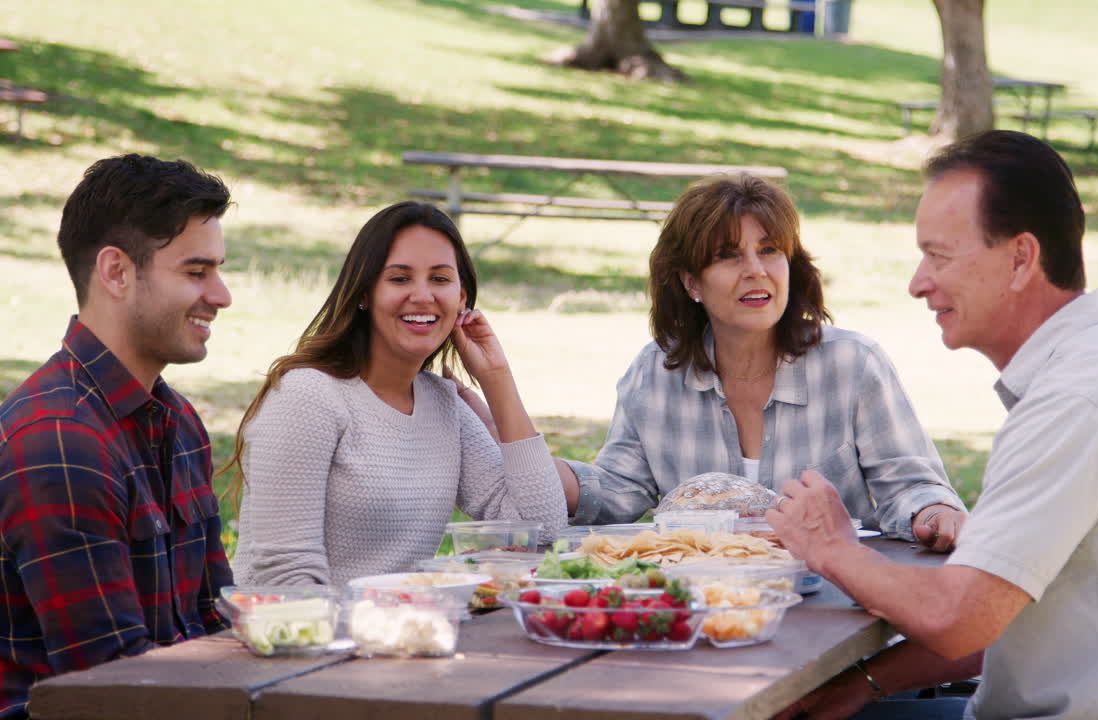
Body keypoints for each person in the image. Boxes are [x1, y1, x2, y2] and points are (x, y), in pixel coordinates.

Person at [768, 130, 1098, 719]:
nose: (918, 283)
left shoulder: (1076, 402)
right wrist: (863, 683)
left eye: (939, 256)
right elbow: (999, 612)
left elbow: (958, 617)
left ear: (1021, 258)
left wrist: (830, 548)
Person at [560, 174, 966, 549]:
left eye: (769, 250)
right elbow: (617, 490)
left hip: (834, 594)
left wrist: (934, 513)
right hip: (708, 596)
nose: (755, 271)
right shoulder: (655, 373)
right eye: (728, 255)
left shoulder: (852, 364)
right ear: (691, 281)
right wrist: (530, 464)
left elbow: (912, 487)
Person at [0, 155, 235, 719]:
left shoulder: (179, 423)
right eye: (196, 272)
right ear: (116, 272)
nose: (222, 295)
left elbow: (218, 623)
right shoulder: (59, 440)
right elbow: (113, 688)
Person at [227, 201, 567, 587]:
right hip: (300, 622)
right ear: (364, 293)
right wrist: (372, 622)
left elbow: (542, 532)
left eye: (440, 279)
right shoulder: (307, 397)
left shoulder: (442, 403)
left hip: (402, 621)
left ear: (461, 299)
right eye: (400, 278)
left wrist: (497, 378)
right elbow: (285, 576)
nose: (422, 295)